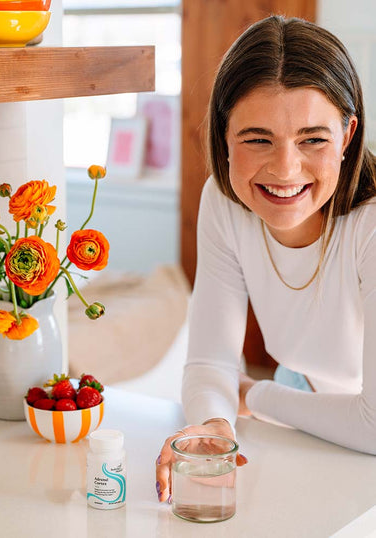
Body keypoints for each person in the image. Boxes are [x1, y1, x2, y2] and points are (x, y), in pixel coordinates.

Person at [156, 14, 376, 503]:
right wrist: (215, 422)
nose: (284, 168)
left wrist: (251, 395)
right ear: (224, 136)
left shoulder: (370, 227)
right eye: (257, 139)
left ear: (347, 135)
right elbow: (210, 362)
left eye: (313, 139)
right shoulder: (223, 201)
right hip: (309, 396)